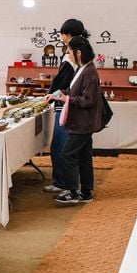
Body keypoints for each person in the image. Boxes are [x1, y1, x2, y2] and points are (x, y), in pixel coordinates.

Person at [45, 36, 102, 204]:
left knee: (67, 154)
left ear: (78, 53)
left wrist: (67, 99)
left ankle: (72, 191)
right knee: (84, 157)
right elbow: (72, 91)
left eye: (69, 52)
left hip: (82, 123)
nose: (68, 55)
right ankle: (86, 192)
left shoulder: (89, 72)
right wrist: (56, 94)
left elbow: (88, 100)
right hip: (82, 122)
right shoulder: (83, 69)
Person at [44, 19, 90, 193]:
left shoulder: (71, 56)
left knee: (60, 146)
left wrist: (50, 96)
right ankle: (73, 184)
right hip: (73, 104)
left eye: (62, 33)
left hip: (66, 105)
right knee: (73, 149)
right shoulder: (83, 52)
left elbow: (62, 82)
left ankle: (63, 183)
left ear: (68, 34)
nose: (61, 36)